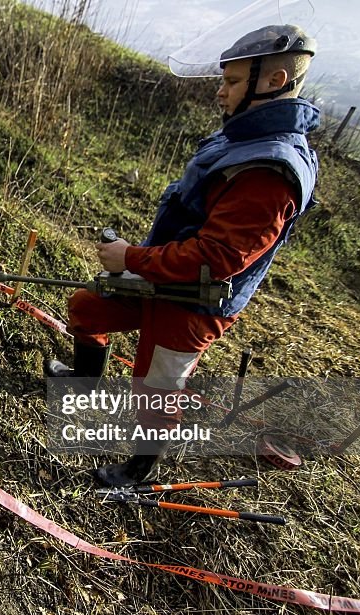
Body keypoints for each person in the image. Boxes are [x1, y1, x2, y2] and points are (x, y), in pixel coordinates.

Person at [46, 24, 320, 487]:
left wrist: (131, 258)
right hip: (163, 277)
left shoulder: (269, 170)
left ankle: (137, 471)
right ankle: (83, 384)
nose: (221, 92)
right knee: (87, 307)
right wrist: (141, 261)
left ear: (273, 82)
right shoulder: (242, 139)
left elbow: (216, 257)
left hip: (194, 301)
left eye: (232, 83)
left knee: (155, 389)